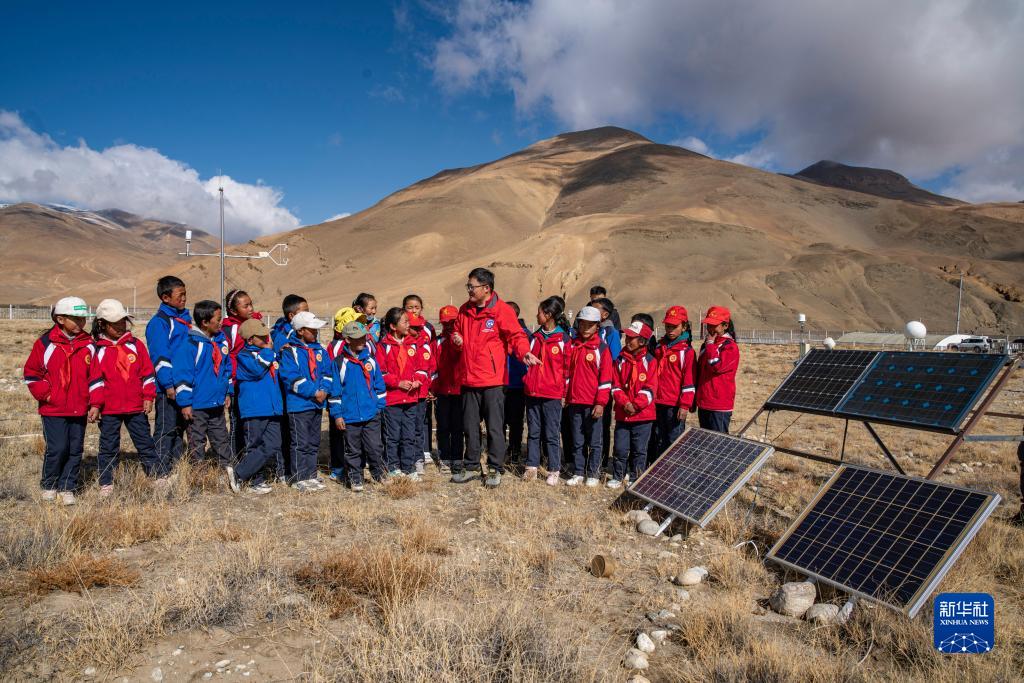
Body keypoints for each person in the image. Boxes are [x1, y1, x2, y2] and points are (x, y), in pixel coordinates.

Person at [449, 267, 540, 488]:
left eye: (472, 286)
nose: (469, 290)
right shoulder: (464, 309)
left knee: (494, 427)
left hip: (493, 381)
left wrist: (524, 352)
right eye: (468, 286)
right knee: (470, 427)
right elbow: (456, 332)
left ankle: (495, 467)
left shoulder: (501, 310)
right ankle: (472, 465)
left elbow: (516, 336)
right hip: (468, 378)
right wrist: (456, 339)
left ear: (486, 288)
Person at [23, 296, 94, 505]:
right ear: (60, 319)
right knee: (57, 448)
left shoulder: (89, 344)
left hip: (79, 407)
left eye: (83, 319)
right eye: (76, 319)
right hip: (53, 409)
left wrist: (94, 402)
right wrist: (47, 395)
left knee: (75, 449)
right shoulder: (45, 343)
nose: (81, 323)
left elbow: (95, 376)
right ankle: (49, 485)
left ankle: (67, 487)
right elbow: (32, 373)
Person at [87, 299, 159, 496]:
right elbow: (95, 380)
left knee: (144, 442)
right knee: (108, 446)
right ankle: (106, 482)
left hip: (136, 406)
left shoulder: (136, 345)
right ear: (102, 324)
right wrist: (96, 404)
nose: (120, 326)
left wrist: (148, 396)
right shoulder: (97, 349)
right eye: (114, 323)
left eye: (123, 321)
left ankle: (155, 475)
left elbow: (147, 373)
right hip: (109, 409)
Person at [172, 300, 233, 468]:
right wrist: (185, 403)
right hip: (197, 405)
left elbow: (226, 369)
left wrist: (228, 391)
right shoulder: (190, 345)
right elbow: (182, 376)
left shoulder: (221, 342)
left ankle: (226, 470)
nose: (221, 322)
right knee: (197, 441)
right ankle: (198, 474)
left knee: (221, 439)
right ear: (205, 322)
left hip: (216, 403)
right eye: (218, 319)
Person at [327, 320, 387, 491]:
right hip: (350, 416)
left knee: (375, 447)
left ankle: (378, 474)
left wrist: (378, 407)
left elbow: (379, 386)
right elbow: (335, 392)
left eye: (364, 337)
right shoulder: (338, 364)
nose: (363, 340)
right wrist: (337, 415)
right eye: (358, 338)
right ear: (347, 340)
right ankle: (355, 478)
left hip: (371, 414)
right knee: (353, 450)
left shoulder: (371, 360)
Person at [279, 310, 333, 491]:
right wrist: (313, 392)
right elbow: (291, 377)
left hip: (317, 404)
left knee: (313, 441)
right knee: (300, 442)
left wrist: (324, 390)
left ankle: (311, 474)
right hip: (299, 405)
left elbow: (327, 373)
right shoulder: (290, 352)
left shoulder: (320, 350)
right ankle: (298, 477)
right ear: (300, 331)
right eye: (312, 329)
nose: (316, 332)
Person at [229, 318, 281, 495]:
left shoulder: (268, 354)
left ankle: (240, 472)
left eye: (267, 335)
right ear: (250, 340)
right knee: (254, 445)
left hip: (272, 408)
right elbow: (257, 370)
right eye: (261, 336)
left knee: (273, 443)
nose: (267, 339)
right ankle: (254, 481)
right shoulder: (244, 356)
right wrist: (268, 351)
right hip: (254, 409)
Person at [522, 296, 570, 485]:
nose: (537, 315)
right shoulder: (535, 338)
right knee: (533, 431)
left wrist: (564, 394)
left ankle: (554, 469)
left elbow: (567, 371)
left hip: (552, 394)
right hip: (533, 392)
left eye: (540, 312)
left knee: (551, 433)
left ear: (548, 315)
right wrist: (528, 380)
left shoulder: (564, 340)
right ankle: (531, 467)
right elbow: (526, 360)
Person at [564, 306, 614, 486]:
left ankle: (593, 473)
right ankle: (578, 472)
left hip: (593, 403)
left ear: (597, 326)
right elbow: (566, 373)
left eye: (590, 325)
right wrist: (565, 395)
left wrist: (600, 403)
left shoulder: (602, 349)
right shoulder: (572, 345)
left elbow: (605, 380)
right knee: (577, 439)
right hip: (574, 401)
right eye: (582, 324)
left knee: (594, 441)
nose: (585, 328)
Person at [146, 275, 190, 476]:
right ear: (166, 298)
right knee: (166, 428)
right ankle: (160, 470)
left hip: (185, 385)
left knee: (180, 428)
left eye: (185, 294)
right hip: (169, 387)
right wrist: (168, 384)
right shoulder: (159, 323)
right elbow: (160, 356)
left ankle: (176, 466)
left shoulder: (184, 320)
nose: (184, 298)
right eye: (180, 295)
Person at [376, 307, 428, 479]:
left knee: (409, 435)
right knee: (392, 436)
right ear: (393, 326)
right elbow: (381, 373)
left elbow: (422, 367)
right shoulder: (383, 346)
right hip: (393, 400)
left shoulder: (413, 344)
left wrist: (418, 380)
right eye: (405, 322)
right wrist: (398, 383)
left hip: (411, 398)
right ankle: (393, 467)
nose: (408, 325)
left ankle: (408, 467)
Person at [609, 321, 659, 489]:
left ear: (642, 341)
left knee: (639, 449)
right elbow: (615, 385)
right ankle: (618, 476)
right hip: (623, 413)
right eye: (627, 337)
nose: (627, 340)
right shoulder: (620, 360)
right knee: (620, 448)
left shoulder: (651, 362)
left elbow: (650, 388)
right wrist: (625, 403)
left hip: (643, 415)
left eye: (632, 338)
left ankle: (636, 477)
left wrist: (636, 405)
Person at [326, 306, 371, 483]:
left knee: (356, 437)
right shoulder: (336, 347)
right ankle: (338, 468)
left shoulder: (365, 342)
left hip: (360, 400)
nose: (360, 326)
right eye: (355, 322)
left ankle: (357, 467)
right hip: (342, 400)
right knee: (339, 435)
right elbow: (333, 375)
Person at [271, 294, 308, 482]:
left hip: (298, 388)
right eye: (304, 311)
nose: (308, 314)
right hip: (284, 387)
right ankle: (282, 469)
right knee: (285, 429)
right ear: (292, 316)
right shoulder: (282, 336)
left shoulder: (301, 332)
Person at [222, 289, 262, 462]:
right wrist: (231, 381)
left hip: (255, 382)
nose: (250, 308)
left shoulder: (256, 324)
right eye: (245, 306)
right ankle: (234, 460)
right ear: (233, 310)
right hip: (238, 383)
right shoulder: (230, 329)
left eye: (251, 304)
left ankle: (251, 459)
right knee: (237, 422)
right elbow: (227, 356)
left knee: (252, 423)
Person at [651, 306, 696, 455]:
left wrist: (685, 405)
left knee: (674, 441)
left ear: (684, 327)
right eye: (668, 326)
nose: (670, 330)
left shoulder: (687, 352)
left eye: (674, 326)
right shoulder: (659, 348)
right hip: (657, 401)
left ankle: (673, 468)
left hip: (674, 404)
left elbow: (689, 381)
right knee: (658, 438)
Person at [695, 306, 740, 433]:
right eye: (708, 325)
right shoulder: (706, 345)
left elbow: (716, 366)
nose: (710, 329)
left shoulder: (730, 347)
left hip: (719, 404)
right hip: (704, 402)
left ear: (725, 326)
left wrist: (710, 345)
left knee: (718, 441)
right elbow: (700, 371)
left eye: (714, 325)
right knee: (705, 439)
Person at [590, 297, 621, 470]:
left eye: (596, 309)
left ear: (605, 315)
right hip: (587, 387)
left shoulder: (611, 333)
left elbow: (615, 360)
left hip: (603, 387)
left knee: (601, 425)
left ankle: (600, 462)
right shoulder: (588, 330)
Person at [432, 305, 463, 474]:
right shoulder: (437, 342)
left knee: (458, 426)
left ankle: (457, 458)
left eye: (452, 322)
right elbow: (433, 368)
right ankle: (444, 458)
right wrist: (434, 388)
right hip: (442, 392)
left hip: (460, 391)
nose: (449, 326)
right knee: (443, 426)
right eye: (445, 323)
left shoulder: (463, 340)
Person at [407, 312, 435, 473]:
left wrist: (429, 387)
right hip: (404, 395)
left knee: (418, 427)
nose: (418, 331)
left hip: (420, 394)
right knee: (405, 428)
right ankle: (405, 459)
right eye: (414, 328)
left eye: (420, 328)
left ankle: (418, 458)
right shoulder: (401, 345)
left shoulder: (425, 346)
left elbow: (429, 368)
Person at [504, 301, 529, 467]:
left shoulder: (524, 334)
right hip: (499, 384)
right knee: (498, 420)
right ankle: (499, 450)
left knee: (516, 422)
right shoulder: (498, 332)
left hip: (518, 385)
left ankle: (515, 451)